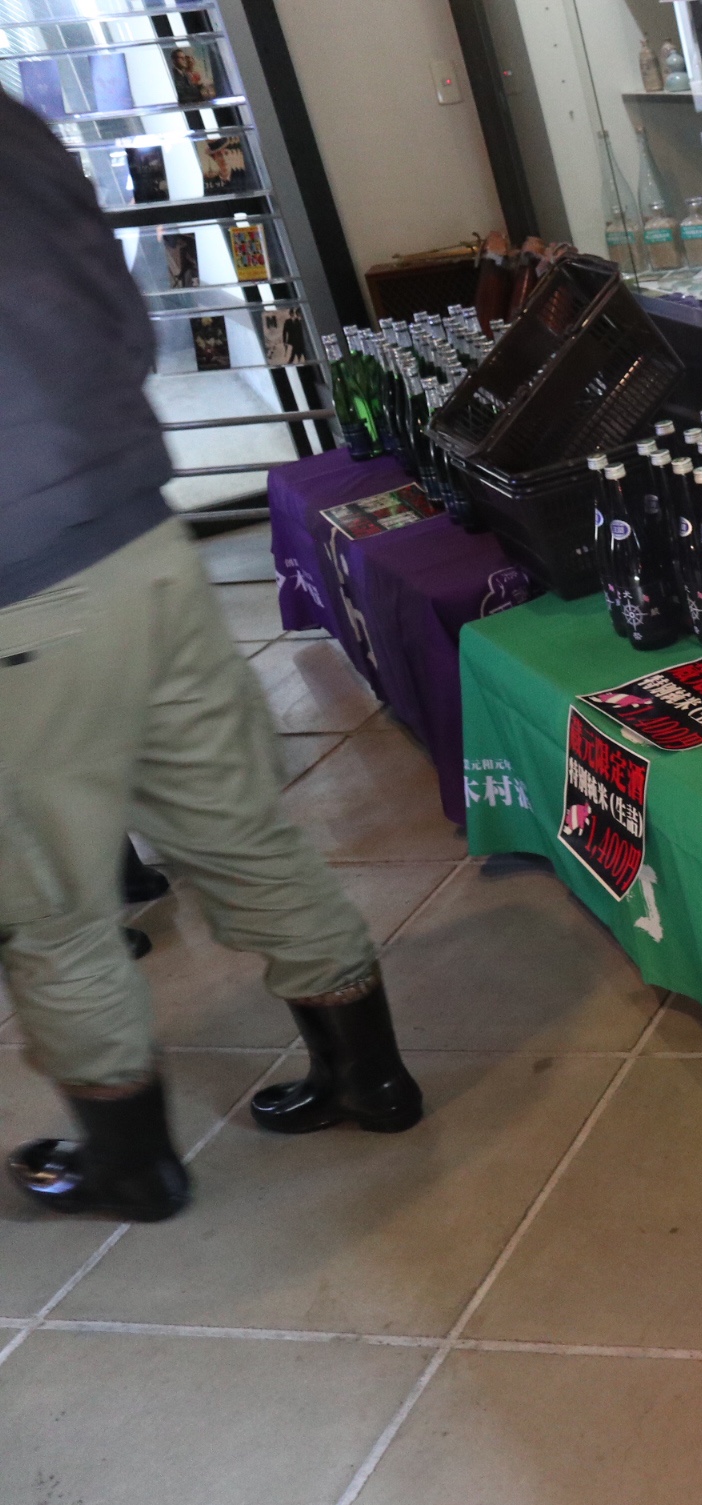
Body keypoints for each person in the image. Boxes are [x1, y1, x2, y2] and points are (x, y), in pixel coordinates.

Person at [0, 91, 421, 1223]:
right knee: (238, 826)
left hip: (16, 594)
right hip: (143, 536)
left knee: (52, 903)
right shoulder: (10, 122)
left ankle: (133, 1166)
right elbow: (118, 309)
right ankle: (371, 1078)